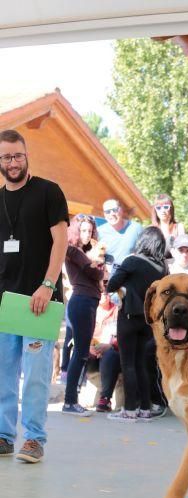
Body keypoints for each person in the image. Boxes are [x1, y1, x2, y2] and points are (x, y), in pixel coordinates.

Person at [0, 129, 69, 463]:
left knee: (37, 377)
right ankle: (3, 435)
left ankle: (34, 439)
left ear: (26, 156)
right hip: (5, 303)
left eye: (17, 155)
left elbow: (61, 241)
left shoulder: (48, 192)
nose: (12, 162)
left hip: (41, 299)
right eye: (6, 157)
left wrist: (48, 284)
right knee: (3, 375)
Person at [107, 226, 167, 422]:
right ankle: (145, 408)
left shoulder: (132, 261)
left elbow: (111, 284)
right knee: (141, 363)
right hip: (148, 322)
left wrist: (124, 287)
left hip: (129, 317)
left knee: (128, 364)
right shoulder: (162, 269)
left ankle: (130, 409)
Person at [62, 215, 105, 416]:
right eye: (83, 230)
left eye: (90, 230)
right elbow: (96, 274)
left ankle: (71, 400)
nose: (87, 234)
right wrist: (98, 265)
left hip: (87, 302)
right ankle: (70, 401)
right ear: (76, 231)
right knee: (80, 352)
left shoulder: (84, 252)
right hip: (82, 302)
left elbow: (99, 273)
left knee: (81, 352)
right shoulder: (73, 250)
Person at [84, 291, 122, 413]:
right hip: (95, 349)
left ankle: (105, 399)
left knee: (110, 355)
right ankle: (73, 394)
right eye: (101, 291)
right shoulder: (91, 310)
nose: (104, 294)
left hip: (112, 351)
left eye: (107, 292)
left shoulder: (118, 310)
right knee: (82, 353)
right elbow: (82, 334)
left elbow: (124, 336)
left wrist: (110, 345)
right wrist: (90, 346)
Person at [98, 199, 142, 267]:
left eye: (115, 210)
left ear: (121, 210)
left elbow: (145, 252)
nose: (112, 214)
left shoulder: (136, 228)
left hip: (131, 272)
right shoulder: (99, 232)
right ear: (104, 214)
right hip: (109, 275)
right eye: (108, 212)